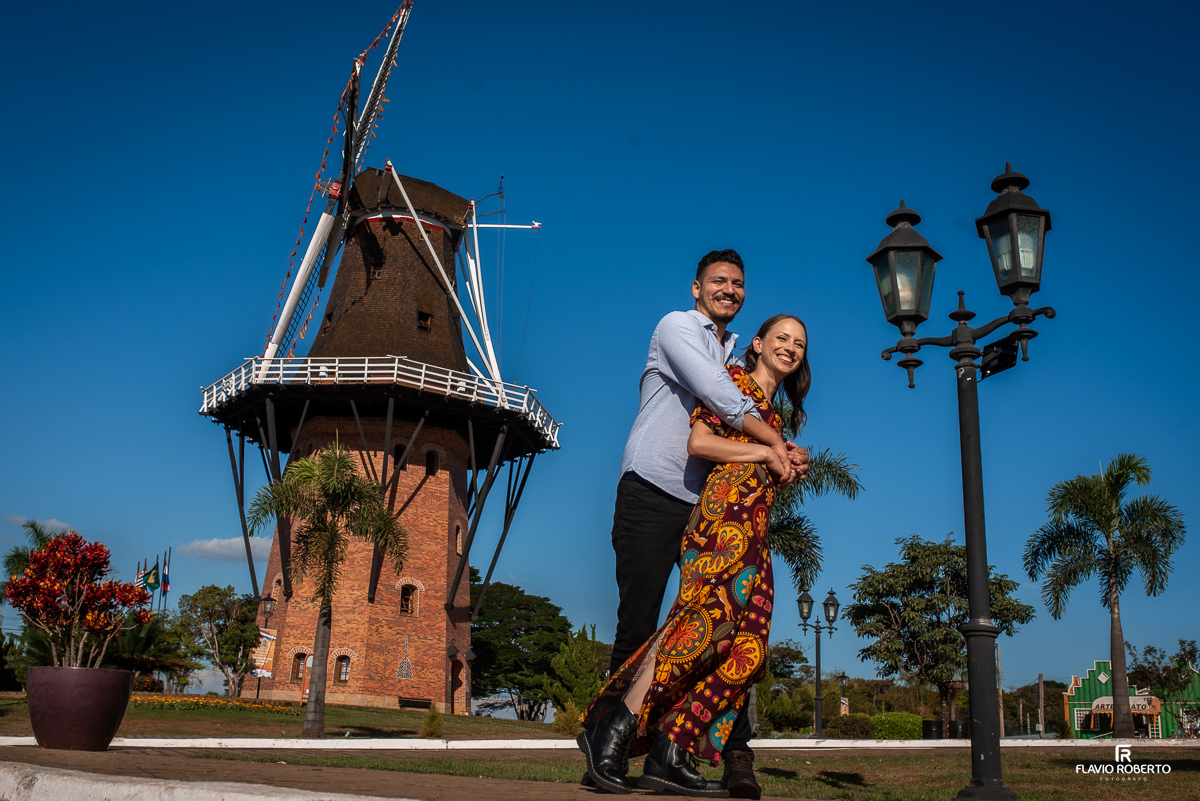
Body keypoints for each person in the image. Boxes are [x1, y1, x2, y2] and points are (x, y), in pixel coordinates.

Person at [595, 250, 807, 798]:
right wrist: (773, 447)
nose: (729, 290)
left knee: (722, 635)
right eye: (719, 281)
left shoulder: (730, 349)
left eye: (738, 283)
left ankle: (679, 754)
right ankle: (605, 745)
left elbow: (741, 423)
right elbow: (722, 400)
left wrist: (779, 452)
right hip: (652, 489)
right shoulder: (678, 328)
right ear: (696, 288)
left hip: (700, 501)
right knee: (644, 625)